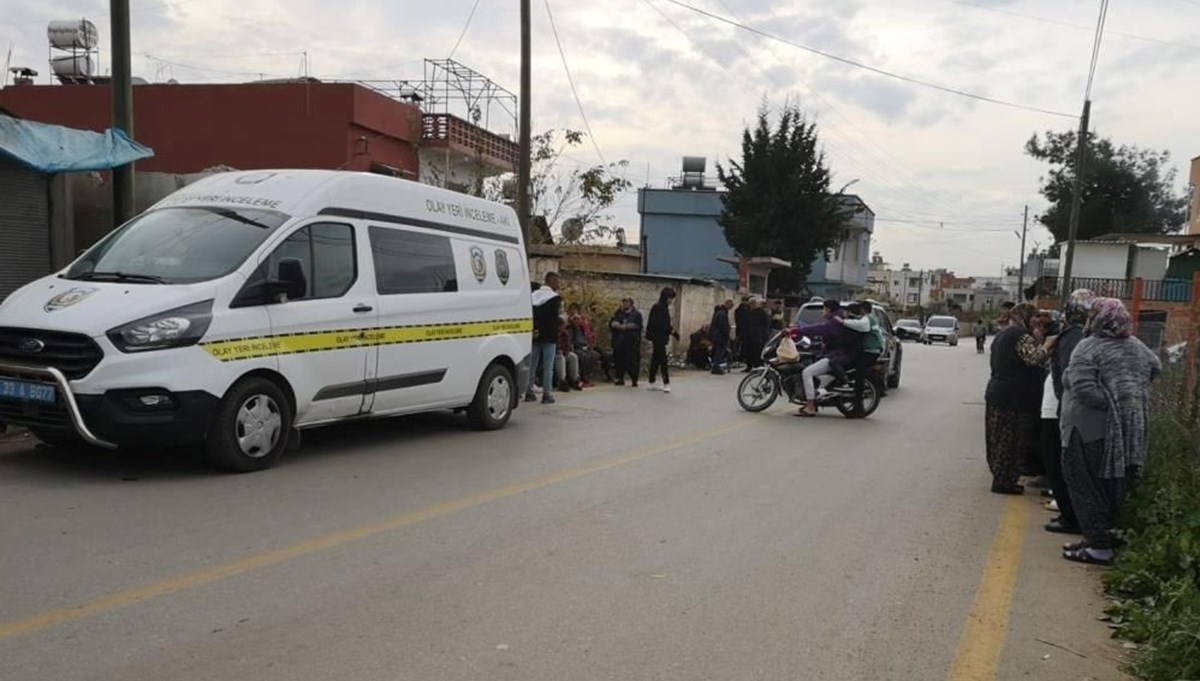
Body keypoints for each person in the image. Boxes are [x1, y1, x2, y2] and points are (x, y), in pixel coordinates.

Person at [1060, 298, 1160, 565]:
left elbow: (1082, 387)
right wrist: (1129, 396)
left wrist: (1110, 400)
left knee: (1084, 483)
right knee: (1111, 485)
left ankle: (1099, 546)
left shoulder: (1088, 346)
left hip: (1088, 428)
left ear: (1097, 319)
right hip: (1128, 428)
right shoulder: (1137, 346)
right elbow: (1155, 367)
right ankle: (1096, 539)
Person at [983, 303, 1054, 494]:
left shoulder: (1003, 335)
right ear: (1025, 317)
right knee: (1011, 440)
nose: (1035, 323)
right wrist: (1046, 345)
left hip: (998, 393)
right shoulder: (1020, 335)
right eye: (1033, 318)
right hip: (1014, 398)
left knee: (997, 440)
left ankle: (1001, 477)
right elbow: (1034, 359)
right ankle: (1004, 482)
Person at [1042, 289, 1095, 536]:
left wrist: (1065, 407)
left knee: (1061, 465)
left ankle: (1070, 517)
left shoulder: (1073, 337)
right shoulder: (1081, 335)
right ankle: (1069, 514)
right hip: (1067, 409)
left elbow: (1068, 375)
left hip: (1064, 410)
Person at [794, 300, 864, 417]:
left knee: (807, 372)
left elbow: (818, 329)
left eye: (824, 308)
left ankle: (810, 406)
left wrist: (797, 331)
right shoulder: (838, 318)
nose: (822, 311)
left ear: (829, 310)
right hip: (834, 353)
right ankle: (813, 398)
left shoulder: (835, 322)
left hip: (836, 355)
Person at [525, 272, 562, 404]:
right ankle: (547, 394)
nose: (558, 285)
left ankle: (528, 392)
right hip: (549, 336)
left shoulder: (532, 296)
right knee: (548, 366)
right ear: (551, 282)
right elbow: (554, 320)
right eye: (557, 282)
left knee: (531, 365)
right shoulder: (554, 298)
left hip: (534, 335)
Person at [846, 302, 884, 416]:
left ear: (863, 309)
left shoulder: (867, 319)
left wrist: (842, 321)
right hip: (874, 350)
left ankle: (858, 405)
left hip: (871, 351)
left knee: (859, 375)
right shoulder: (873, 318)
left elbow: (862, 326)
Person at [645, 287, 680, 393]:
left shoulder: (662, 307)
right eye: (670, 298)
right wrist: (673, 332)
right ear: (666, 297)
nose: (671, 301)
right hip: (658, 337)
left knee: (656, 359)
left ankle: (651, 381)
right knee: (663, 361)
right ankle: (666, 383)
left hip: (659, 338)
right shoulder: (659, 308)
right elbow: (663, 324)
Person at [610, 297, 643, 387]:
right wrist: (617, 325)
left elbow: (637, 326)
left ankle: (634, 379)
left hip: (631, 343)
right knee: (619, 361)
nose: (625, 304)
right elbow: (613, 323)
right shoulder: (618, 313)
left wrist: (625, 327)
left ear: (631, 303)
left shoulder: (636, 315)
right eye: (624, 302)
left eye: (627, 302)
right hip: (619, 342)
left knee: (632, 362)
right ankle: (620, 378)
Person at [566, 303, 600, 387]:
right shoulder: (569, 327)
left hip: (585, 346)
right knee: (583, 357)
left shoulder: (582, 327)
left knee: (595, 355)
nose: (577, 321)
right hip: (576, 347)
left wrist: (588, 344)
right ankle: (582, 377)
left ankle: (587, 375)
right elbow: (570, 340)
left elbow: (587, 336)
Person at [740, 297, 771, 370]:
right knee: (748, 352)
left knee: (757, 352)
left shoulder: (762, 313)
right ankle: (749, 365)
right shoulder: (747, 312)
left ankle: (757, 365)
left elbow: (766, 325)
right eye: (751, 304)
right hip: (748, 336)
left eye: (753, 303)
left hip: (758, 336)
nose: (752, 305)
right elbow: (743, 324)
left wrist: (764, 335)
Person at [555, 318, 582, 391]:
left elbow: (568, 345)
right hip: (555, 354)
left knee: (573, 357)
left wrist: (565, 352)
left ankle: (574, 379)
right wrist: (558, 350)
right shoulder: (553, 334)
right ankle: (562, 381)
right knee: (561, 358)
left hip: (564, 352)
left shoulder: (565, 333)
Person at [710, 300, 734, 375]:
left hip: (716, 335)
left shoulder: (719, 312)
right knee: (719, 352)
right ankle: (716, 367)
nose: (730, 308)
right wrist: (727, 334)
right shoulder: (722, 313)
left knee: (718, 351)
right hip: (720, 336)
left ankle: (716, 366)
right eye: (730, 306)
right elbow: (723, 326)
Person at [733, 295, 751, 365]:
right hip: (741, 330)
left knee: (745, 345)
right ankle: (738, 357)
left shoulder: (749, 309)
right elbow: (738, 321)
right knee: (739, 344)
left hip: (747, 331)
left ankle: (743, 357)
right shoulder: (739, 310)